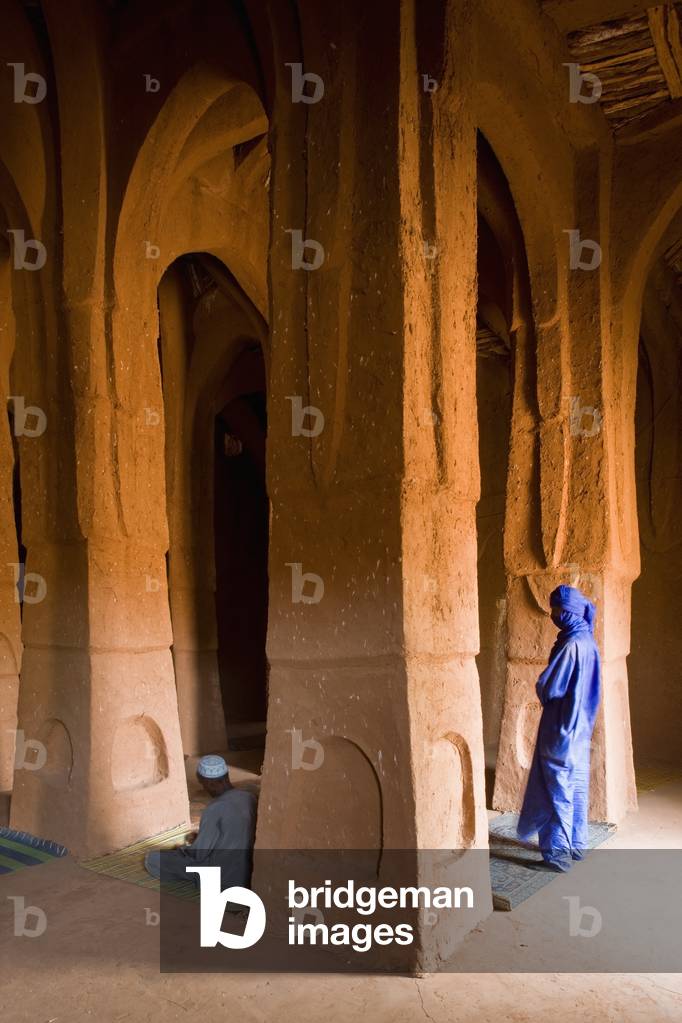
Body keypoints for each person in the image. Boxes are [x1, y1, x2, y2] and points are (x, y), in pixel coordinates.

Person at [517, 584, 601, 871]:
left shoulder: (570, 644)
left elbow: (550, 686)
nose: (554, 615)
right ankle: (576, 845)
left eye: (559, 609)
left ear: (571, 611)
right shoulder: (588, 641)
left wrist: (540, 685)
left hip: (560, 727)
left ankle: (557, 856)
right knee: (575, 785)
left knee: (554, 790)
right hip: (579, 728)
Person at [144, 754, 257, 888]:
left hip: (222, 878)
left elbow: (198, 854)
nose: (204, 789)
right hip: (248, 872)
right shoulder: (250, 798)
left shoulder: (215, 808)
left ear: (210, 783)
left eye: (203, 784)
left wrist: (181, 849)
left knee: (154, 859)